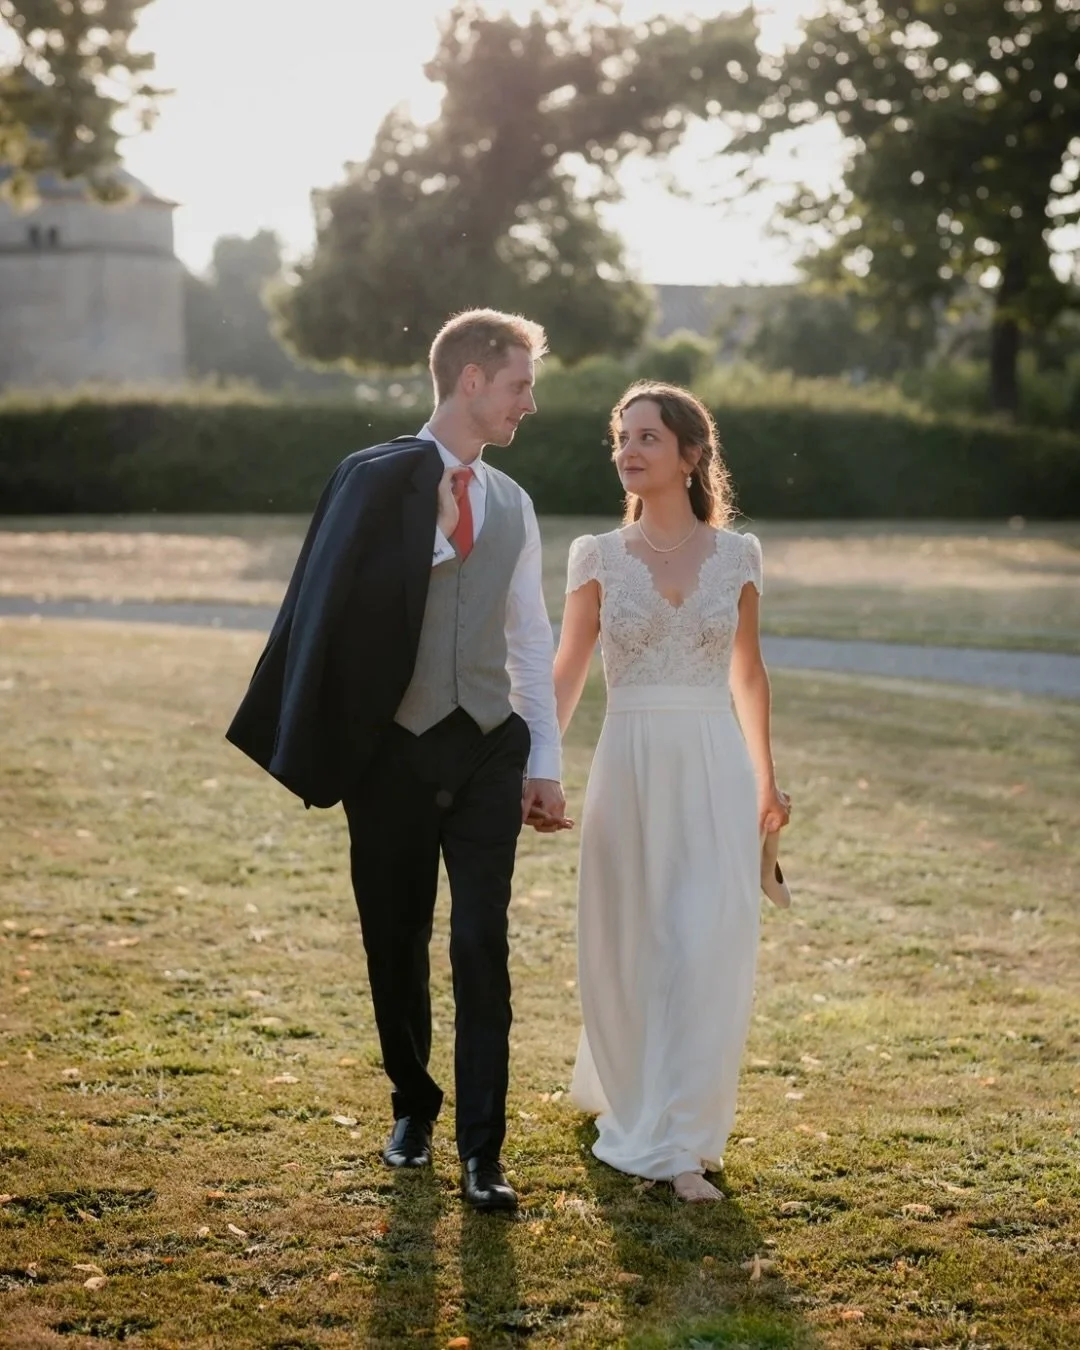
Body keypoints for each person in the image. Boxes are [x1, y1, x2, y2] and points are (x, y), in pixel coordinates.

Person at [226, 309, 570, 1213]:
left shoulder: (516, 504)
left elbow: (530, 639)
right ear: (469, 382)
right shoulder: (373, 483)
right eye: (518, 386)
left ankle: (482, 1153)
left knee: (480, 943)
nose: (528, 404)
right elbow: (333, 600)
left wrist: (546, 759)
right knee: (396, 939)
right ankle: (413, 1103)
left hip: (491, 745)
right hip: (395, 753)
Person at [553, 381, 791, 1203]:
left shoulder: (739, 557)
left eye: (648, 436)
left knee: (705, 941)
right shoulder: (596, 556)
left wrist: (767, 780)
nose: (629, 449)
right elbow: (568, 672)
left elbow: (749, 674)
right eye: (622, 436)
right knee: (634, 940)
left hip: (714, 764)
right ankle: (626, 1086)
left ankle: (681, 1142)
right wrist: (538, 765)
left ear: (692, 456)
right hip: (629, 763)